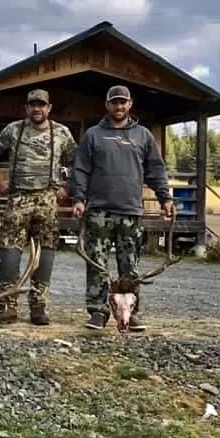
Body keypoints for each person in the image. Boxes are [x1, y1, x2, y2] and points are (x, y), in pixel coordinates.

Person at [69, 84, 174, 331]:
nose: (119, 106)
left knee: (130, 267)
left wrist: (165, 198)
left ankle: (130, 313)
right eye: (114, 102)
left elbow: (156, 170)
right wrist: (78, 199)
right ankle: (98, 312)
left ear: (130, 104)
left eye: (123, 102)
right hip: (98, 211)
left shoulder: (143, 136)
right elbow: (80, 170)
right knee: (97, 264)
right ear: (107, 104)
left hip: (130, 212)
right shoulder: (93, 135)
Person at [0, 88, 76, 325]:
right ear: (26, 108)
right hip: (18, 198)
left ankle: (38, 306)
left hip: (47, 199)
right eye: (32, 104)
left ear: (49, 108)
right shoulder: (13, 130)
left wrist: (67, 188)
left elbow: (78, 161)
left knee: (46, 251)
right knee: (10, 251)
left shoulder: (62, 132)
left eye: (41, 104)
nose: (37, 108)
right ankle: (7, 306)